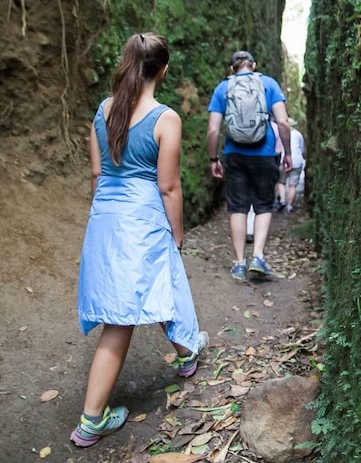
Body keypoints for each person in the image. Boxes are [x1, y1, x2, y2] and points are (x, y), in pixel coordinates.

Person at [71, 32, 208, 448]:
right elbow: (168, 187)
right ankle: (92, 420)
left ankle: (187, 353)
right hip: (141, 216)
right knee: (122, 317)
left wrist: (103, 219)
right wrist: (177, 231)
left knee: (157, 279)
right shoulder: (165, 118)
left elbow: (97, 175)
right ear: (162, 70)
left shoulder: (103, 111)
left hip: (106, 217)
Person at [207, 50, 292, 281]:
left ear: (231, 68)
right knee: (263, 205)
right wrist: (287, 152)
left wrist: (213, 158)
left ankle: (238, 263)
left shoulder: (223, 88)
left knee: (237, 207)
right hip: (264, 154)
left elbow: (213, 130)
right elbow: (283, 122)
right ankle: (257, 256)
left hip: (235, 154)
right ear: (253, 65)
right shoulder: (268, 84)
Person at [283, 118, 305, 213]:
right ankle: (289, 206)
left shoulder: (281, 133)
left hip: (283, 161)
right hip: (296, 161)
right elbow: (302, 149)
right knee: (293, 185)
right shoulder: (298, 134)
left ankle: (281, 201)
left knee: (281, 182)